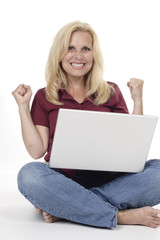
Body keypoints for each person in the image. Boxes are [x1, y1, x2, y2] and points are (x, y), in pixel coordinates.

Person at [12, 21, 160, 229]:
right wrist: (22, 107)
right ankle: (119, 216)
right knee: (29, 175)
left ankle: (68, 208)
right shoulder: (45, 96)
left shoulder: (111, 91)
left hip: (112, 179)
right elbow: (36, 151)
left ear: (93, 55)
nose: (78, 56)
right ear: (60, 54)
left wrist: (138, 100)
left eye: (86, 49)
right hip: (65, 180)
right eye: (70, 48)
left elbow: (131, 149)